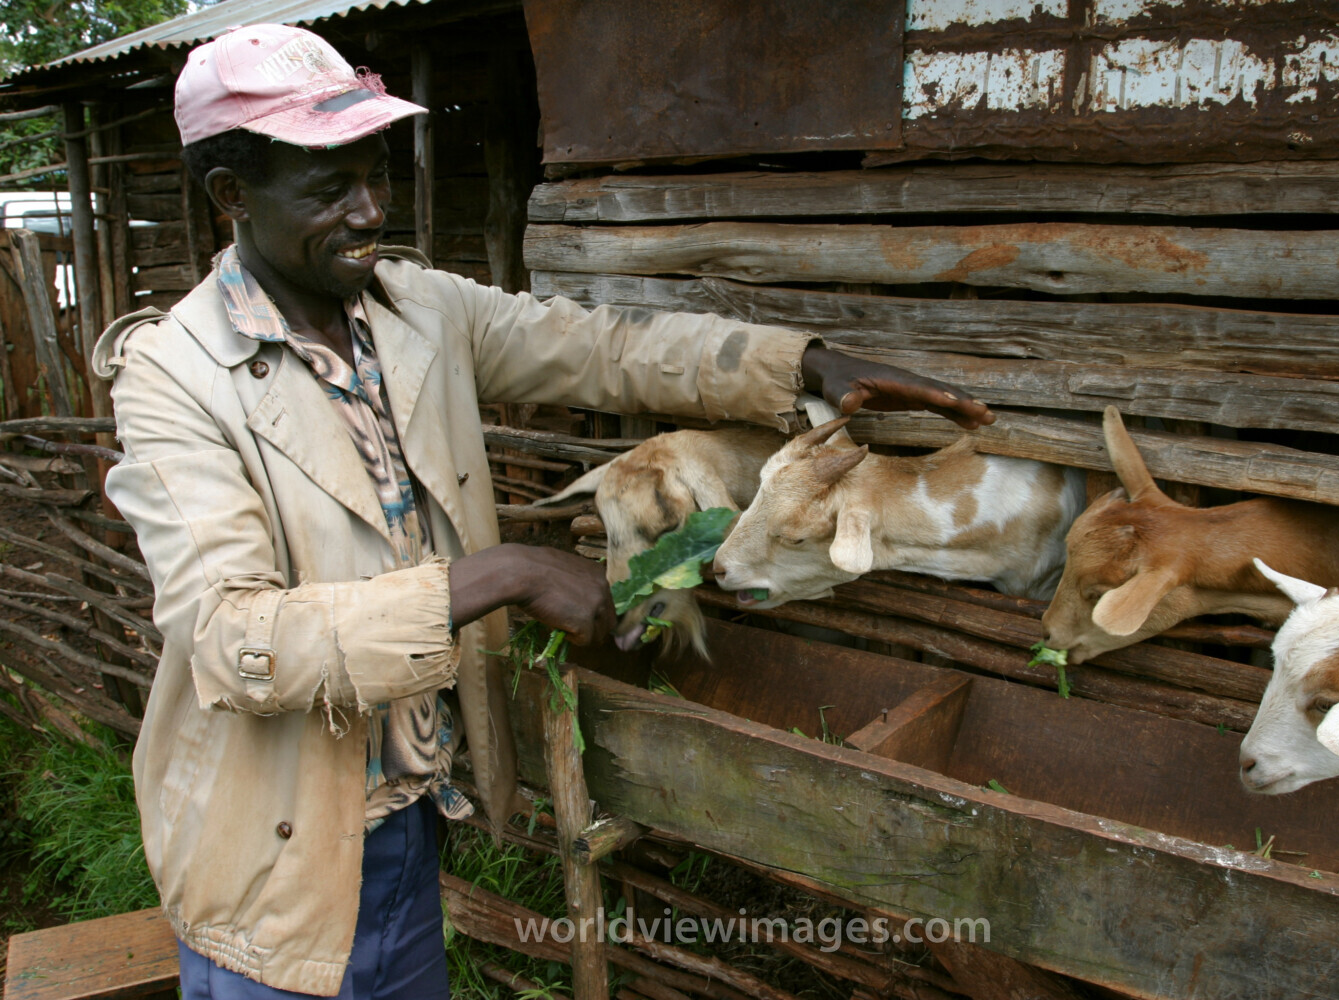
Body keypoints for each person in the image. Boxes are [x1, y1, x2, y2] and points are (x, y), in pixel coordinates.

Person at [96, 23, 995, 1000]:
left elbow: (601, 348)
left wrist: (804, 364)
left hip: (409, 821)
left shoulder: (413, 310)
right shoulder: (175, 377)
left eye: (376, 175)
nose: (370, 210)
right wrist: (509, 572)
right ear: (232, 194)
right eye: (328, 188)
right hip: (273, 849)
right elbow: (237, 642)